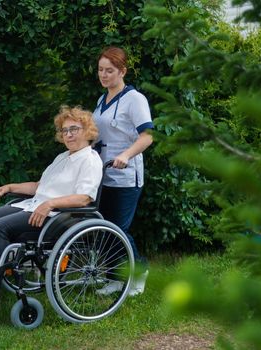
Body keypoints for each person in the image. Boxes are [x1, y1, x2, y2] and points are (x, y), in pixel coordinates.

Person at [0, 106, 103, 310]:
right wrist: (10, 187)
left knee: (0, 226)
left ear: (87, 131)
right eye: (64, 130)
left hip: (56, 218)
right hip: (34, 207)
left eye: (74, 129)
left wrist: (50, 203)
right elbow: (40, 187)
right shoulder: (62, 158)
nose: (68, 134)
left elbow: (84, 198)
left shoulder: (90, 160)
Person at [92, 46, 154, 296]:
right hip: (102, 175)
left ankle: (139, 272)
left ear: (122, 71)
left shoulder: (135, 99)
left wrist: (126, 155)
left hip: (126, 176)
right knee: (104, 228)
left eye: (109, 71)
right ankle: (115, 278)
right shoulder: (101, 100)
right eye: (100, 70)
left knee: (118, 229)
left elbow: (147, 136)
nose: (104, 75)